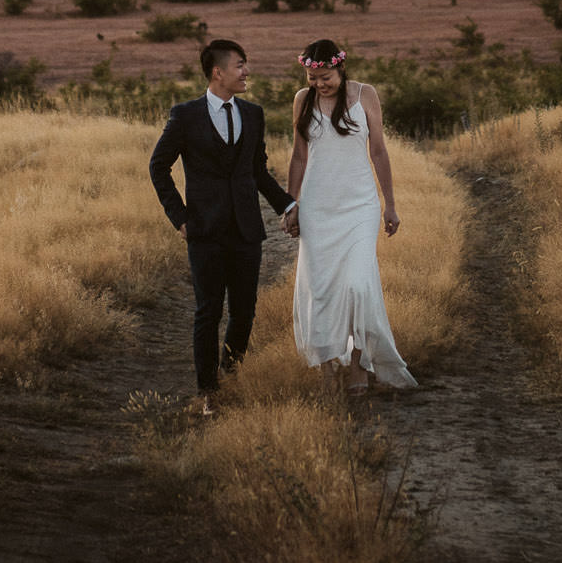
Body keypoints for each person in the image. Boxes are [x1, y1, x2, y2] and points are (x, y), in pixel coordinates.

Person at [148, 37, 296, 415]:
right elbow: (158, 167)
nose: (247, 72)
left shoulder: (253, 114)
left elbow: (257, 171)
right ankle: (207, 392)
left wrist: (288, 205)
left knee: (244, 312)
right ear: (218, 72)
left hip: (246, 231)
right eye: (240, 65)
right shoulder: (185, 115)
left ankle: (230, 376)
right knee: (208, 312)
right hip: (204, 231)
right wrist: (180, 218)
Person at [284, 38, 417, 394]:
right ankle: (327, 369)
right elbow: (299, 156)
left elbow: (379, 151)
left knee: (358, 285)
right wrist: (291, 204)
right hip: (318, 207)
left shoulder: (365, 95)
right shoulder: (302, 99)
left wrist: (390, 204)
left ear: (341, 68)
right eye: (312, 78)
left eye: (325, 77)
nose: (319, 84)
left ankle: (358, 364)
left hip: (359, 205)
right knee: (321, 290)